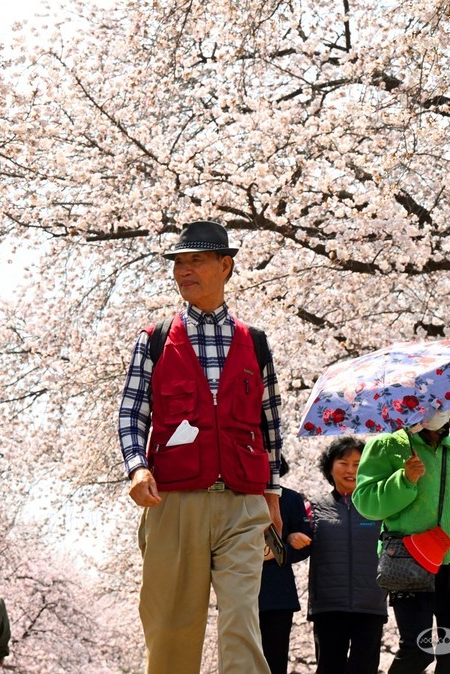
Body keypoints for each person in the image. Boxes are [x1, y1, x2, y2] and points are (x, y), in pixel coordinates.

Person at [117, 220, 284, 674]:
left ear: (225, 266)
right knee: (171, 629)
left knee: (242, 624)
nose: (184, 270)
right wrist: (137, 467)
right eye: (179, 262)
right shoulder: (154, 339)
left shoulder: (257, 343)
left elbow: (270, 423)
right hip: (173, 502)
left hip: (242, 504)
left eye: (197, 260)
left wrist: (272, 496)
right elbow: (132, 412)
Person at [353, 406, 450, 674]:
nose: (436, 409)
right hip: (409, 559)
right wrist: (404, 479)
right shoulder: (385, 446)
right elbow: (366, 503)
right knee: (418, 650)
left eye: (443, 403)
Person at [306, 436, 387, 674]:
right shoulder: (313, 507)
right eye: (343, 462)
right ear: (329, 468)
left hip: (371, 603)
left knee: (365, 668)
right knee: (329, 667)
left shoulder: (380, 507)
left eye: (358, 464)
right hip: (329, 606)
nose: (351, 470)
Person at [258, 457, 313, 674]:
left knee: (275, 660)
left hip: (278, 593)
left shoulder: (290, 498)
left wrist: (281, 551)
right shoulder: (232, 498)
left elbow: (306, 544)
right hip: (237, 589)